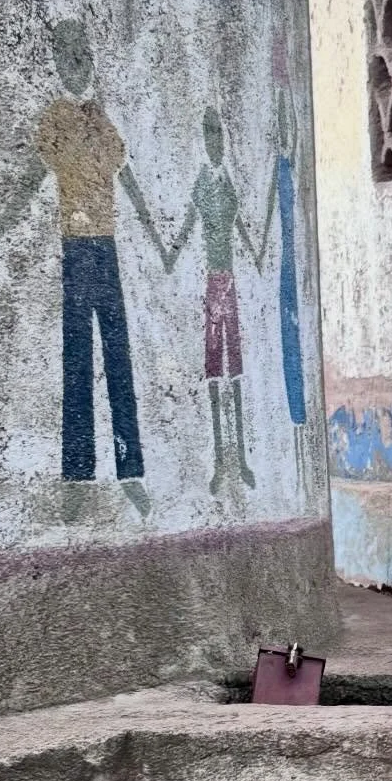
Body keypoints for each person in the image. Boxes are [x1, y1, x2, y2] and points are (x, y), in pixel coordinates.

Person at [0, 19, 158, 520]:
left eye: (82, 55)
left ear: (90, 61)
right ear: (58, 62)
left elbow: (128, 176)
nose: (76, 64)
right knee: (78, 363)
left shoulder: (100, 119)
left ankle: (131, 470)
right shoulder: (54, 118)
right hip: (75, 251)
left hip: (108, 249)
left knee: (119, 362)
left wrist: (156, 234)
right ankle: (78, 473)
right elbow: (34, 177)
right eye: (68, 56)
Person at [165, 107, 264, 495]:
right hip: (211, 285)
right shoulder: (203, 183)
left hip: (231, 284)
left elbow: (240, 226)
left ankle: (239, 458)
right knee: (213, 373)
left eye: (218, 135)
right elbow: (189, 225)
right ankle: (220, 460)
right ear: (205, 143)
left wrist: (257, 255)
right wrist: (169, 253)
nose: (215, 143)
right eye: (210, 137)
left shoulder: (226, 185)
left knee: (235, 373)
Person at [260, 34, 308, 495]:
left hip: (291, 270)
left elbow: (289, 130)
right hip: (282, 272)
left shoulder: (288, 168)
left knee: (293, 342)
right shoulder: (278, 173)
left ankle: (298, 427)